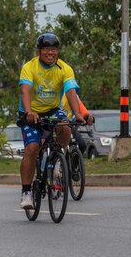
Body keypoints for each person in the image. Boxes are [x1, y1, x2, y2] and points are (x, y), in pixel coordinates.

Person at [17, 33, 86, 209]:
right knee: (32, 148)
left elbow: (71, 92)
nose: (51, 53)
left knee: (65, 127)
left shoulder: (65, 69)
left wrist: (77, 114)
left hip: (53, 110)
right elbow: (25, 90)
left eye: (54, 49)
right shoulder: (29, 67)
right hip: (31, 113)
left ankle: (57, 160)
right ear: (39, 51)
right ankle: (26, 192)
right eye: (47, 49)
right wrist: (29, 112)